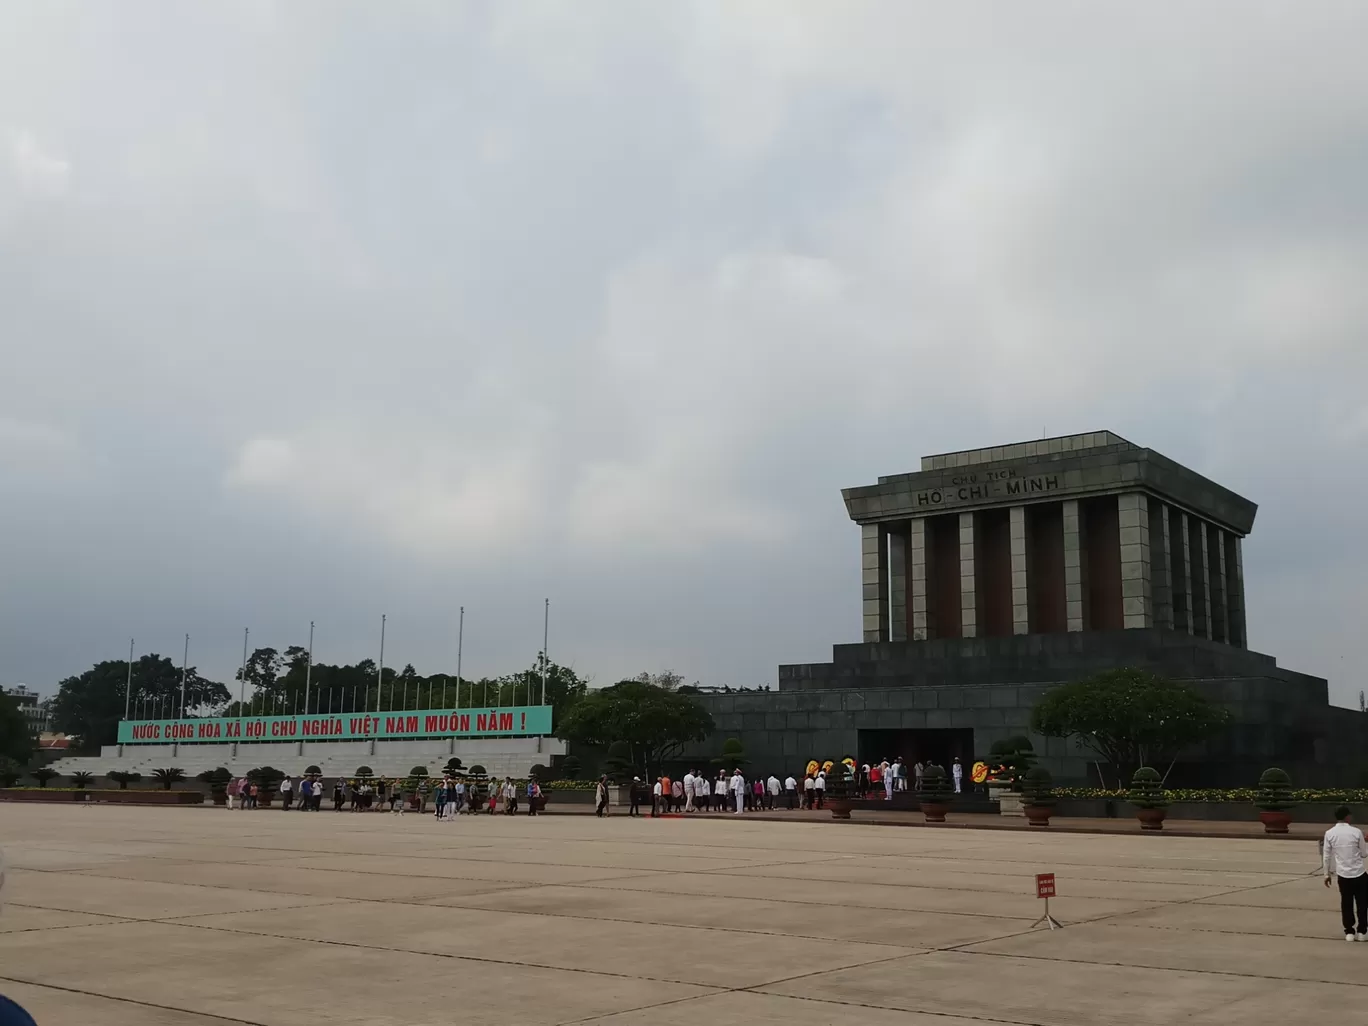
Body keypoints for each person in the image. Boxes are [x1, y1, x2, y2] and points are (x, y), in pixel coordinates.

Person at [1324, 805, 1368, 941]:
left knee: (1346, 903)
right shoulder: (1356, 832)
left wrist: (1327, 874)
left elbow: (1326, 856)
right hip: (1359, 873)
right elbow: (1364, 854)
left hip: (1343, 874)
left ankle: (1349, 931)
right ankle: (1362, 931)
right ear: (1347, 816)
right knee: (1362, 903)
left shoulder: (1329, 833)